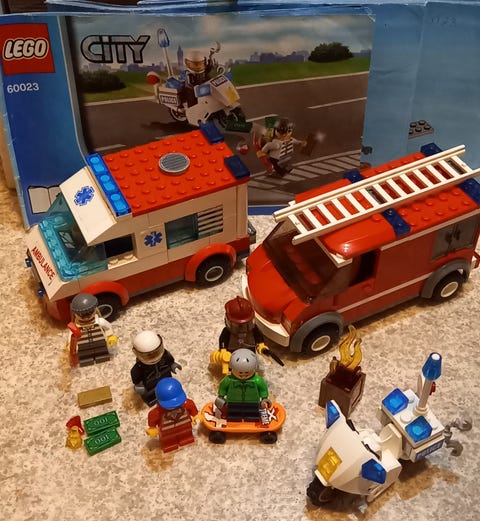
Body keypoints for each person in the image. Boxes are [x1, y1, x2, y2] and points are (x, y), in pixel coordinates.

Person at [215, 349, 270, 421]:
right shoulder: (228, 380)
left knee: (253, 415)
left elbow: (263, 389)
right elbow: (223, 388)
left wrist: (264, 399)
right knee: (233, 415)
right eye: (240, 372)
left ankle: (252, 421)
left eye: (247, 372)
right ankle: (233, 422)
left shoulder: (257, 380)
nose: (243, 375)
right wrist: (221, 397)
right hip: (233, 403)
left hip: (253, 403)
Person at [130, 330, 182, 406]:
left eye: (156, 352)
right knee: (149, 395)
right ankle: (151, 398)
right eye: (148, 355)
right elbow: (136, 378)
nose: (153, 357)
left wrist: (172, 365)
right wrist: (139, 386)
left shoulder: (164, 356)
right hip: (150, 388)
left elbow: (170, 360)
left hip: (166, 380)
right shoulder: (138, 368)